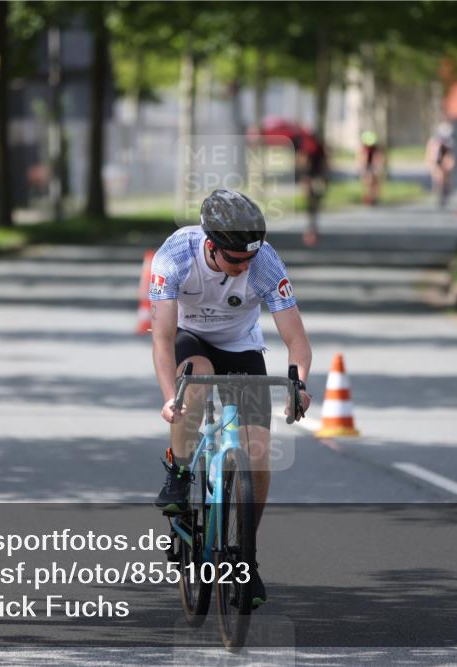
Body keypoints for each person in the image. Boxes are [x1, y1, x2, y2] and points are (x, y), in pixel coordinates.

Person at [148, 189, 313, 608]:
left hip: (242, 346)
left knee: (258, 452)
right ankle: (180, 471)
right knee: (198, 380)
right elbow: (163, 339)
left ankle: (245, 557)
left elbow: (297, 340)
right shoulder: (175, 256)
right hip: (190, 338)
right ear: (211, 246)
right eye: (236, 261)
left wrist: (300, 385)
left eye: (249, 260)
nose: (245, 268)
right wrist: (171, 398)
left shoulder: (263, 262)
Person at [298, 133, 328, 247]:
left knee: (313, 204)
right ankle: (311, 228)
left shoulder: (312, 146)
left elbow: (302, 161)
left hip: (314, 177)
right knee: (313, 204)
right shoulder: (309, 146)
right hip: (313, 177)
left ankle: (312, 228)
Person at [425, 121, 455, 208]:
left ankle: (446, 188)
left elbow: (450, 156)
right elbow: (430, 154)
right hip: (436, 158)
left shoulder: (450, 142)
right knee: (437, 175)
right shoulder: (434, 142)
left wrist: (450, 164)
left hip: (445, 157)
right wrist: (431, 163)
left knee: (447, 173)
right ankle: (438, 191)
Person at [359, 130, 385, 205]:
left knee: (375, 181)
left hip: (374, 165)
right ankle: (368, 197)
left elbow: (379, 158)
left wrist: (379, 167)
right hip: (367, 165)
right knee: (368, 181)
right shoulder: (364, 149)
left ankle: (375, 196)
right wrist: (361, 168)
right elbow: (361, 158)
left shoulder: (376, 149)